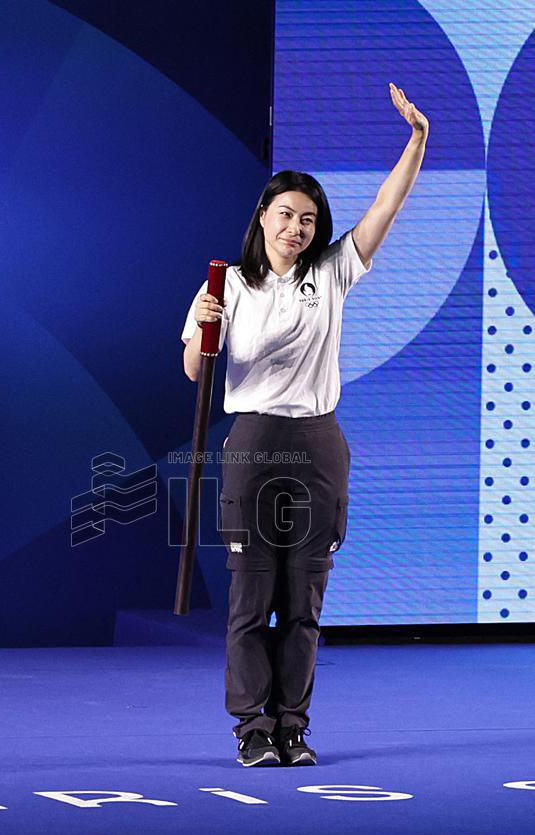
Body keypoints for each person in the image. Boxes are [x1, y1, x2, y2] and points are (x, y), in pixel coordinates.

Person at [181, 84, 429, 766]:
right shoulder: (223, 285)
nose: (296, 229)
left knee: (303, 600)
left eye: (308, 220)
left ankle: (292, 724)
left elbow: (385, 208)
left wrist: (415, 140)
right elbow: (194, 374)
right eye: (285, 214)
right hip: (254, 442)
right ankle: (250, 728)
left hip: (318, 443)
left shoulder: (332, 272)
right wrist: (201, 332)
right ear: (262, 216)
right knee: (250, 596)